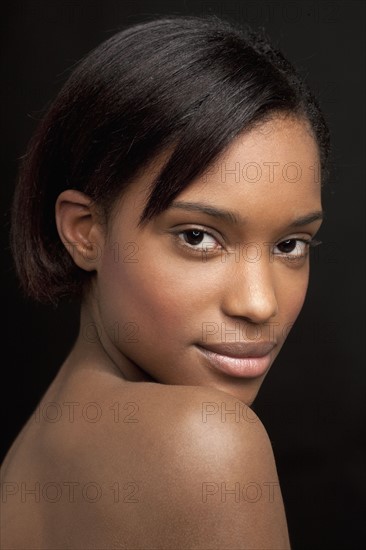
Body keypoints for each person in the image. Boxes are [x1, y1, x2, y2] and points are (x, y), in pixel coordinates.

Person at [1, 13, 330, 549]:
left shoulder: (32, 455)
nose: (259, 303)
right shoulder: (207, 441)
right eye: (198, 237)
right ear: (85, 232)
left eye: (289, 245)